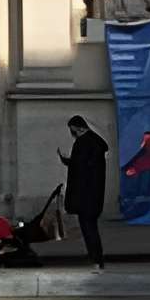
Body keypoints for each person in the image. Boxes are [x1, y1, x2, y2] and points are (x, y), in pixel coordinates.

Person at [58, 114, 108, 267]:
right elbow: (84, 165)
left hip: (85, 196)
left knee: (88, 228)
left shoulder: (83, 143)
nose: (73, 134)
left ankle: (96, 258)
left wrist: (67, 161)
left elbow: (80, 168)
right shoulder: (95, 143)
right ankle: (95, 256)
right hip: (94, 195)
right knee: (90, 227)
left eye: (74, 131)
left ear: (79, 128)